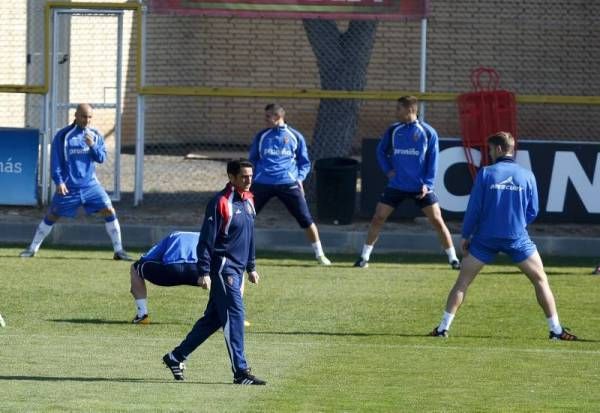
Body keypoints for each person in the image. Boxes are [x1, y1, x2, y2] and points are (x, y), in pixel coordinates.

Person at [430, 131, 578, 340]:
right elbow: (533, 210)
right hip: (516, 238)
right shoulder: (527, 175)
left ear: (499, 149)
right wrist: (517, 224)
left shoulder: (486, 173)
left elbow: (474, 208)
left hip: (485, 238)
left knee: (462, 282)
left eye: (490, 149)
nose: (489, 153)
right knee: (541, 280)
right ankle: (556, 330)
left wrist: (466, 235)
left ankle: (443, 328)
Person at [162, 159, 266, 385]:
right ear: (231, 177)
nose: (248, 180)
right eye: (243, 177)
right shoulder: (220, 202)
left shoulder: (249, 200)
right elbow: (206, 241)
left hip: (238, 270)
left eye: (250, 176)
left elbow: (249, 236)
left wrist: (251, 266)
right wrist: (204, 271)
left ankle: (175, 357)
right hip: (223, 269)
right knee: (235, 316)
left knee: (213, 320)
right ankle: (241, 372)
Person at [354, 96, 459, 269]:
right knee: (378, 218)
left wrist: (428, 184)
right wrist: (388, 170)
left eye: (399, 109)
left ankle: (453, 259)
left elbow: (433, 160)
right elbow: (381, 151)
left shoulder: (428, 132)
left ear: (410, 110)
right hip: (397, 186)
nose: (396, 112)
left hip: (421, 188)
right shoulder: (394, 130)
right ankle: (364, 258)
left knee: (438, 221)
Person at [19, 103, 132, 261]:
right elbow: (56, 161)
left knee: (109, 210)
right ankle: (32, 249)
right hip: (68, 187)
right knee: (52, 215)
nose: (87, 120)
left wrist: (92, 145)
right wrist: (59, 181)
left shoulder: (95, 135)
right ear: (76, 116)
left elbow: (101, 158)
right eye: (84, 116)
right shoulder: (63, 136)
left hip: (90, 186)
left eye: (90, 117)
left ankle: (119, 251)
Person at [249, 103, 331, 266]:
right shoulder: (262, 136)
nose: (265, 120)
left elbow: (304, 163)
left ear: (278, 117)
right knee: (244, 217)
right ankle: (232, 250)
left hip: (288, 183)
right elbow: (253, 160)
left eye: (268, 116)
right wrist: (251, 179)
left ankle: (320, 255)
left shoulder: (295, 136)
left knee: (306, 219)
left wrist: (299, 178)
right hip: (262, 183)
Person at [130, 231, 209, 324]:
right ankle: (217, 319)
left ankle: (142, 314)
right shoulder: (206, 236)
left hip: (171, 269)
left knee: (136, 267)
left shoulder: (174, 235)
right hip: (198, 271)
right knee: (220, 279)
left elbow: (146, 258)